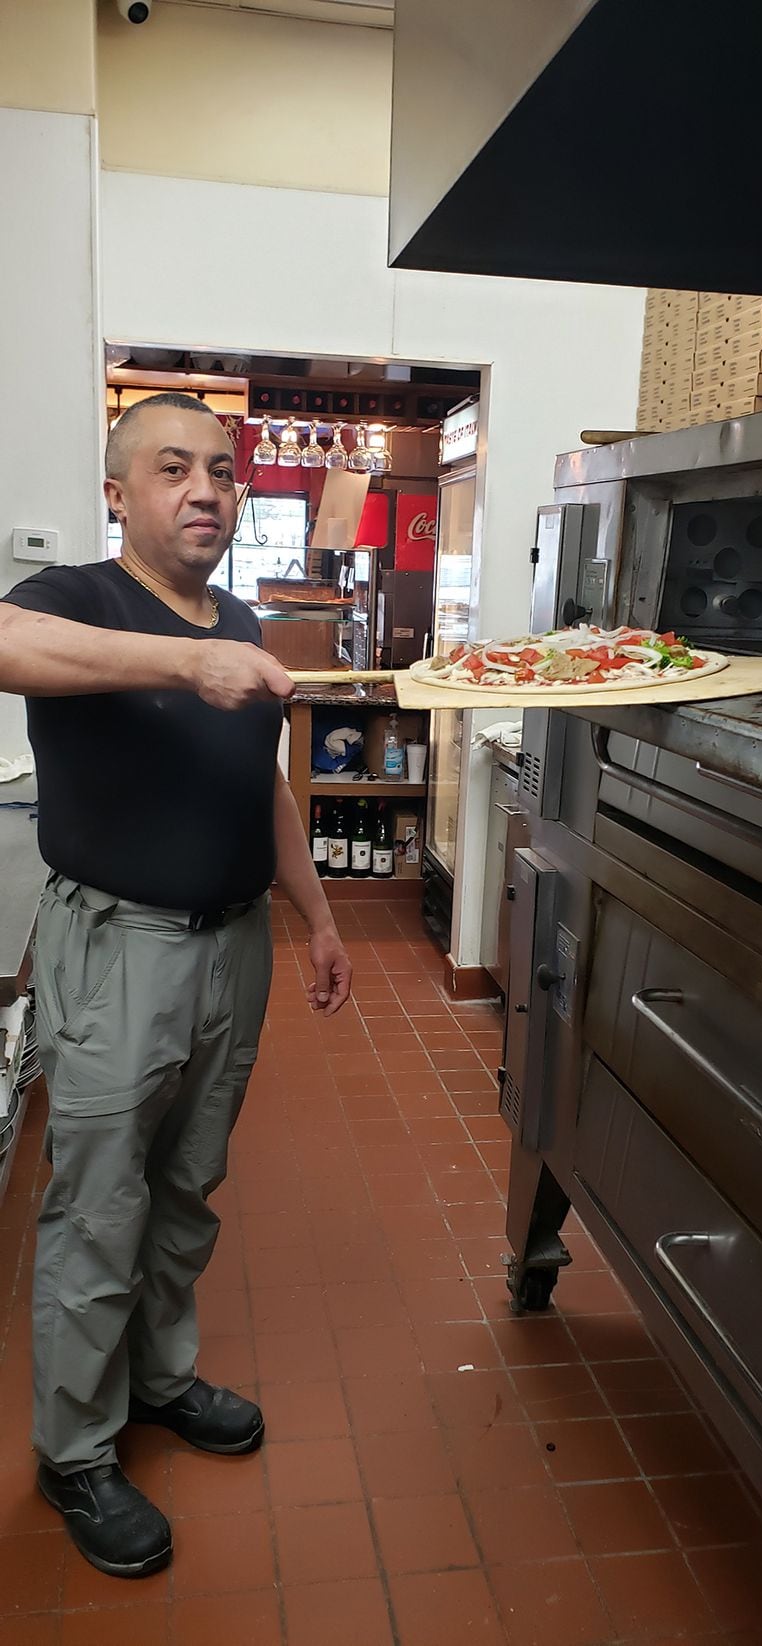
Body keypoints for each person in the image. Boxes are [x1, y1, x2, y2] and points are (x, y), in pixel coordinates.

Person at [0, 392, 352, 1579]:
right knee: (98, 1203)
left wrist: (313, 911)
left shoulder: (241, 615)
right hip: (116, 951)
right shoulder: (77, 600)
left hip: (232, 944)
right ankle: (76, 1449)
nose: (204, 488)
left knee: (186, 1184)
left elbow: (262, 783)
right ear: (119, 490)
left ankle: (156, 1377)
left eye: (220, 470)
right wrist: (184, 659)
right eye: (171, 469)